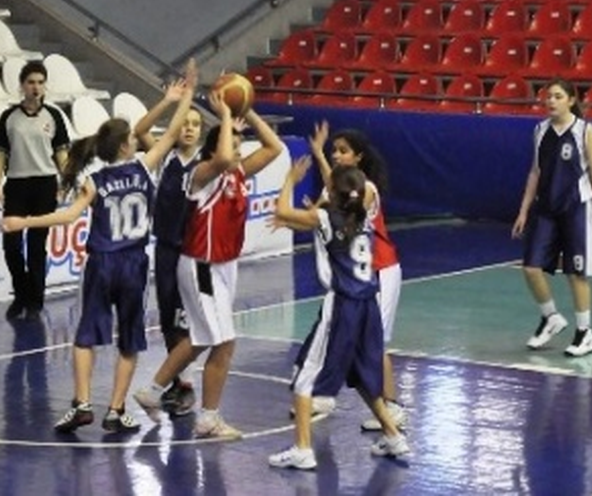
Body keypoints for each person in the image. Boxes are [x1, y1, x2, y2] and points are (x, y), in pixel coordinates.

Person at [2, 63, 198, 434]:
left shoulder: (94, 180)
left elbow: (67, 216)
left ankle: (81, 403)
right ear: (125, 146)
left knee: (85, 338)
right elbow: (173, 132)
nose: (137, 141)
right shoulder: (143, 168)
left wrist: (23, 222)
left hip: (101, 264)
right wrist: (181, 95)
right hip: (134, 264)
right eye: (132, 139)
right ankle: (116, 409)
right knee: (129, 342)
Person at [134, 92, 284, 439]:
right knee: (225, 342)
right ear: (216, 148)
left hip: (224, 266)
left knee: (201, 337)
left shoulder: (237, 173)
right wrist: (226, 116)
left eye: (241, 145)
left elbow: (274, 147)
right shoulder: (203, 174)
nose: (239, 151)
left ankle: (151, 391)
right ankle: (209, 418)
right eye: (234, 144)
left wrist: (247, 110)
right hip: (202, 264)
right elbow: (223, 158)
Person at [267, 157, 410, 469]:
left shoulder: (325, 216)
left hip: (343, 305)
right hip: (368, 304)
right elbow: (320, 224)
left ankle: (302, 449)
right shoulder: (364, 217)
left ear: (331, 193)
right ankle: (393, 435)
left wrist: (290, 179)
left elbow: (283, 210)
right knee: (359, 374)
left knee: (304, 374)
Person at [307, 120, 406, 432]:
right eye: (334, 151)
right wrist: (318, 155)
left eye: (343, 151)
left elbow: (339, 210)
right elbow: (333, 191)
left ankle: (393, 407)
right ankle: (325, 394)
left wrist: (312, 213)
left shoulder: (367, 189)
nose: (336, 155)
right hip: (358, 277)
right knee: (343, 335)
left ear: (359, 157)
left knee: (377, 343)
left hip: (380, 271)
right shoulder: (339, 187)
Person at [512, 79, 592, 357]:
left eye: (558, 96)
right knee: (531, 267)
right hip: (546, 208)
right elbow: (535, 172)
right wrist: (523, 210)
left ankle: (585, 332)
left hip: (577, 208)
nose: (551, 101)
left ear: (571, 100)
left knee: (576, 272)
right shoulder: (540, 130)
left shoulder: (585, 131)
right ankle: (550, 317)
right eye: (548, 96)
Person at [131, 84, 205, 417]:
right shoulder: (166, 158)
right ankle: (178, 381)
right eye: (184, 123)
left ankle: (186, 385)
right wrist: (168, 101)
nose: (188, 129)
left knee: (184, 321)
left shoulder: (206, 164)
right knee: (166, 319)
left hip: (192, 253)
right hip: (165, 249)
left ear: (202, 132)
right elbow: (140, 130)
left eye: (195, 124)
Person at [0, 60, 71, 320]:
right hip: (17, 183)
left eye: (40, 82)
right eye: (31, 82)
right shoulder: (9, 118)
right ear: (22, 86)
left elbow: (61, 154)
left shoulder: (53, 116)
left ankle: (35, 300)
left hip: (44, 183)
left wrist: (67, 180)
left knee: (37, 245)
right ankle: (21, 291)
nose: (35, 87)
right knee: (11, 245)